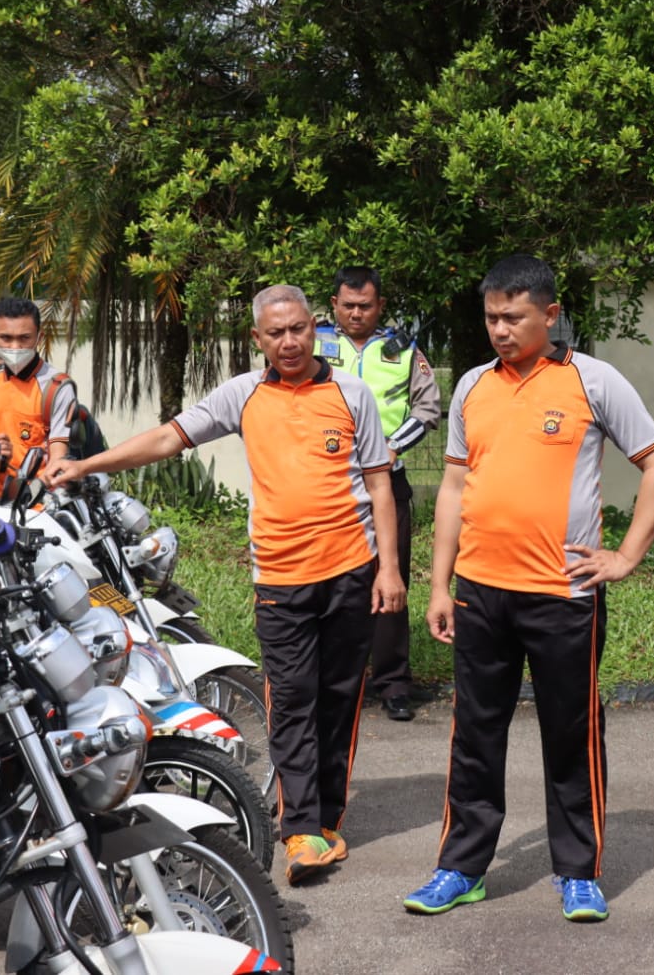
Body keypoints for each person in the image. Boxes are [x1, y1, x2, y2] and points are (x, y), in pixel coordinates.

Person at [44, 284, 406, 885]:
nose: (288, 342)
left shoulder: (352, 393)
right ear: (257, 338)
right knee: (291, 700)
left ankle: (326, 819)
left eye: (298, 330)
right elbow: (167, 437)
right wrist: (85, 465)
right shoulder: (243, 395)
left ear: (315, 329)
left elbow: (379, 486)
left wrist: (389, 569)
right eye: (275, 333)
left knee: (340, 698)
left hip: (351, 571)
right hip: (281, 578)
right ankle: (301, 831)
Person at [404, 254, 654, 923]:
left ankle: (577, 872)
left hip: (563, 595)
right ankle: (460, 867)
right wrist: (438, 585)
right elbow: (453, 486)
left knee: (570, 733)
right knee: (474, 735)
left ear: (549, 315)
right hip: (481, 591)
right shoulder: (472, 385)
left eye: (514, 317)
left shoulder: (593, 380)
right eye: (491, 317)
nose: (500, 330)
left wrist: (626, 556)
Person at [316, 266, 441, 722]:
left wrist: (392, 448)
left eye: (365, 306)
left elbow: (428, 408)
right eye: (347, 305)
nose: (355, 313)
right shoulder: (313, 344)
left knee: (391, 580)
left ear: (380, 306)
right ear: (334, 305)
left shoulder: (403, 350)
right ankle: (337, 680)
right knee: (330, 582)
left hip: (389, 479)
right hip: (328, 483)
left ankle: (392, 683)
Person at [0, 297, 78, 495]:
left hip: (35, 507)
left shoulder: (56, 388)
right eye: (6, 338)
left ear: (39, 337)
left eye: (24, 338)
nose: (15, 347)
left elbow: (58, 453)